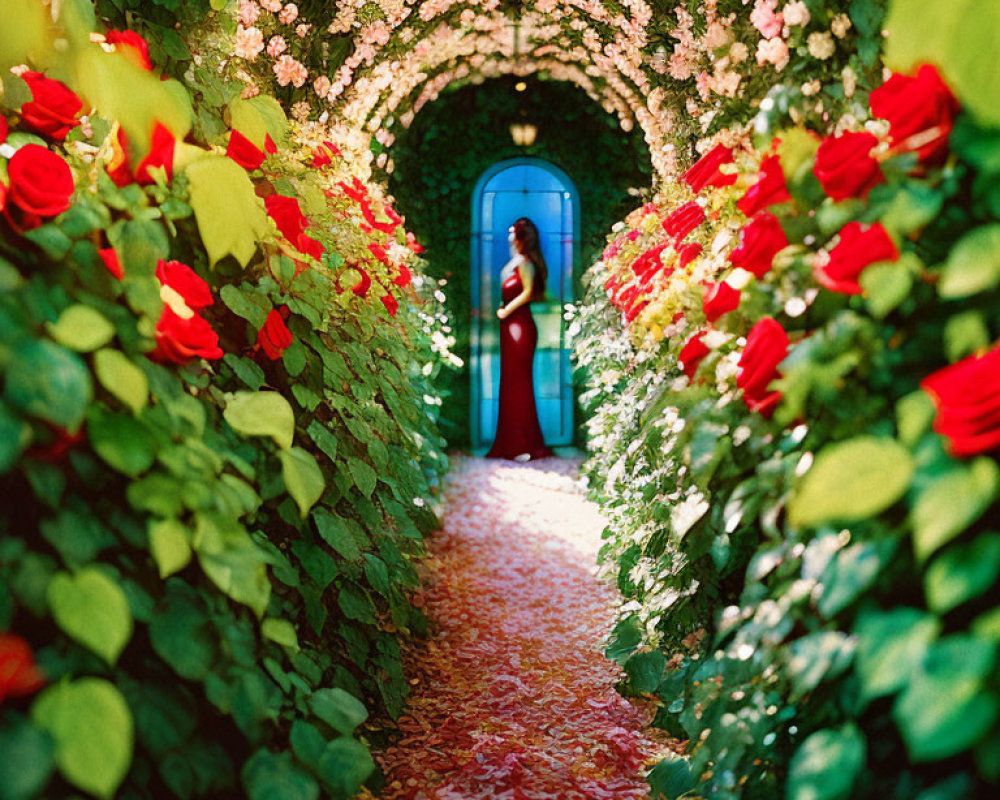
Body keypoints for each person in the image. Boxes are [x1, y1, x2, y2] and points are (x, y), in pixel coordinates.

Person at [486, 217, 554, 461]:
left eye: (512, 231)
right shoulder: (516, 261)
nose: (508, 234)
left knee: (519, 384)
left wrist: (506, 310)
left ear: (520, 236)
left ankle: (523, 444)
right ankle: (512, 444)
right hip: (512, 326)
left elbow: (527, 292)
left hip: (520, 326)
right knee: (511, 385)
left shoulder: (525, 263)